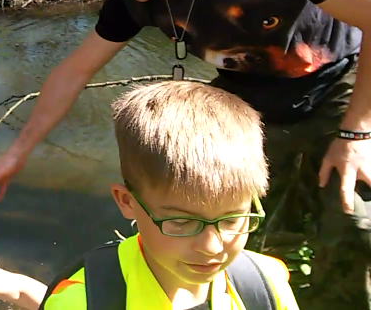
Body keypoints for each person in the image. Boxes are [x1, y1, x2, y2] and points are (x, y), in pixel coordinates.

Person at [0, 0, 371, 308]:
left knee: (355, 221)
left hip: (344, 84)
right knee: (227, 222)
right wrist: (18, 151)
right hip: (249, 101)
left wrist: (356, 133)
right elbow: (75, 71)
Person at [42, 81, 299, 309]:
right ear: (127, 201)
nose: (211, 247)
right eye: (181, 222)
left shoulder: (264, 285)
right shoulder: (81, 302)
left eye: (231, 220)